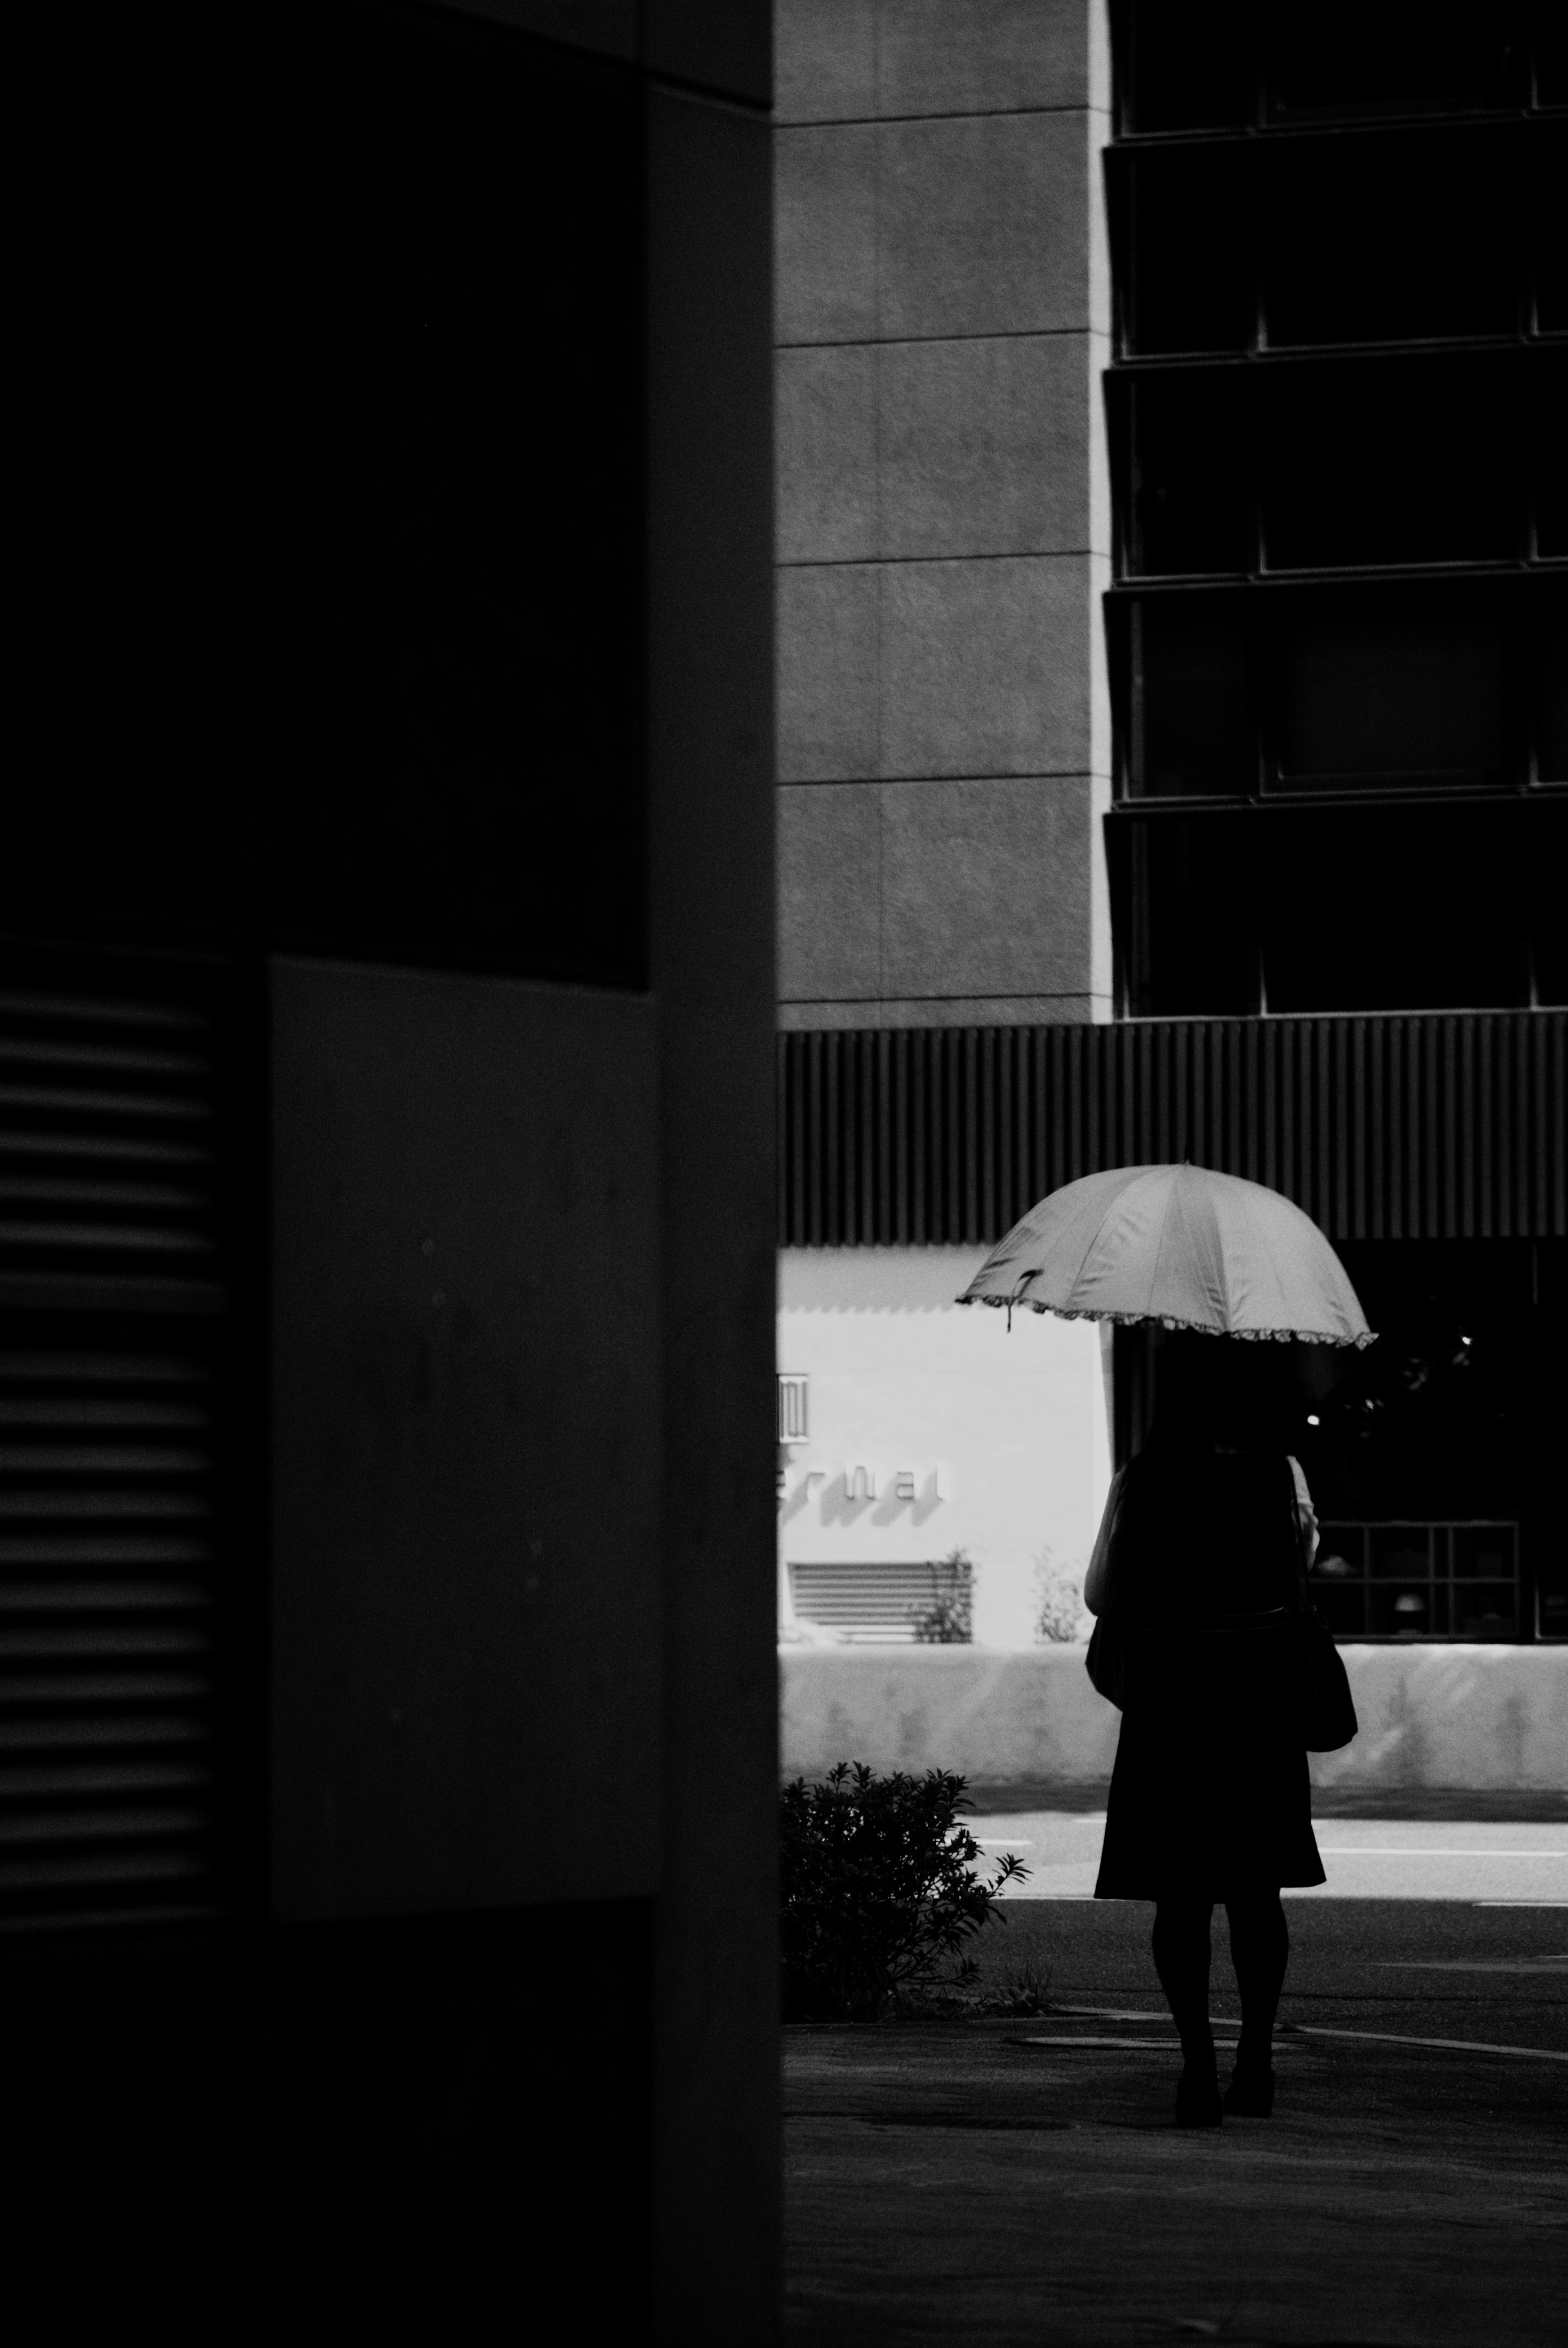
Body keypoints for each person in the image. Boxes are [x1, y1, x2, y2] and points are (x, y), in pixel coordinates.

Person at [1083, 1333, 1325, 2127]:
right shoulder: (1280, 1474)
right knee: (1257, 1895)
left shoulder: (1142, 1479)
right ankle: (1256, 2059)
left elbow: (1100, 1595)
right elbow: (1301, 1577)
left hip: (1171, 1713)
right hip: (1258, 1710)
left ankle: (1196, 2069)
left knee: (1180, 1901)